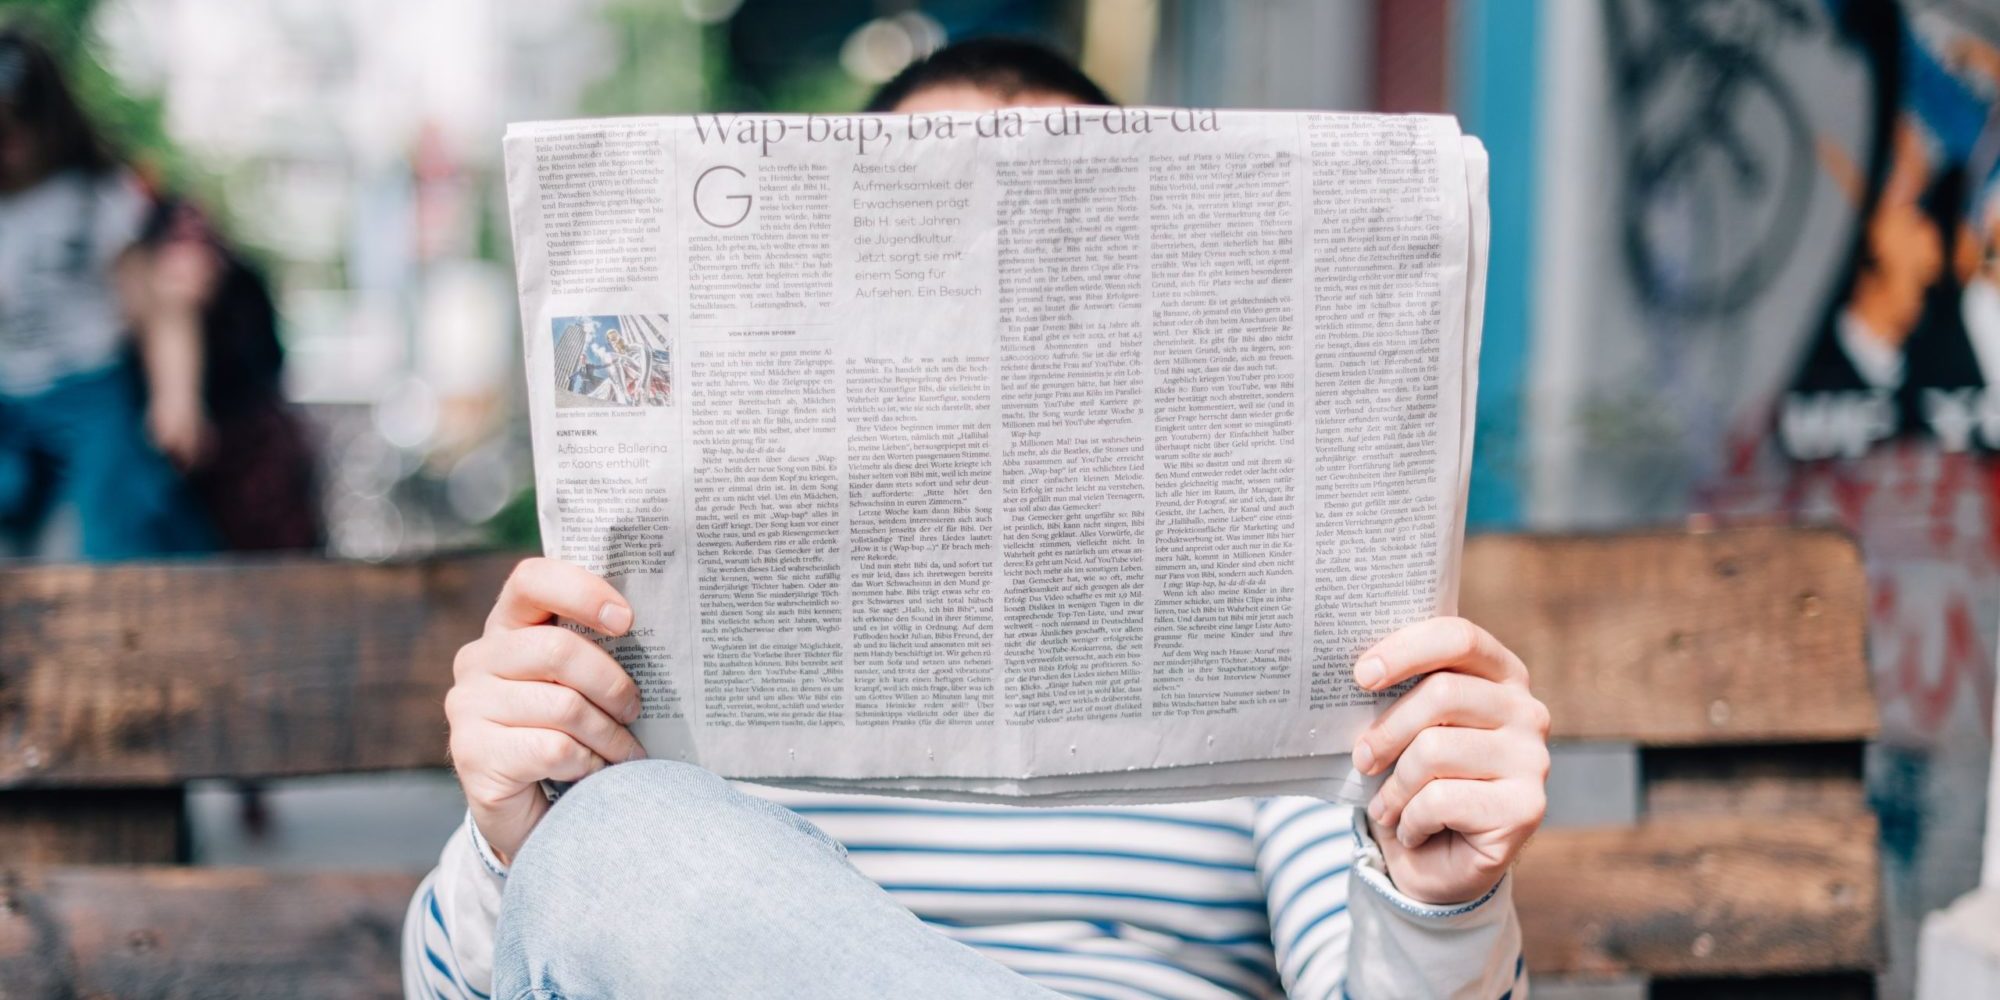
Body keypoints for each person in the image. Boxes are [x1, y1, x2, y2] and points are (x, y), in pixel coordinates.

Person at [407, 38, 1547, 1000]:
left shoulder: (1269, 625)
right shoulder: (655, 644)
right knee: (616, 844)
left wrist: (1436, 900)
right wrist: (513, 841)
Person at [0, 27, 214, 559]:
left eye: (20, 123)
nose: (12, 145)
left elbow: (160, 308)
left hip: (89, 391)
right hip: (7, 398)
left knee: (107, 530)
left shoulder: (96, 197)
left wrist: (176, 397)